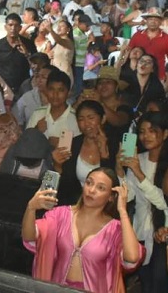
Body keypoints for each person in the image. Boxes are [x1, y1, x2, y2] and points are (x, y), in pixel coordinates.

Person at [22, 167, 143, 292]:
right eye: (89, 183)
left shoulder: (114, 229)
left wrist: (123, 211)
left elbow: (132, 257)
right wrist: (31, 208)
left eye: (100, 188)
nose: (91, 190)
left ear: (111, 197)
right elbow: (29, 237)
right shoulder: (60, 215)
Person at [117, 111, 168, 293]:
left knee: (159, 284)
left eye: (152, 131)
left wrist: (138, 172)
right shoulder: (138, 159)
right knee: (146, 283)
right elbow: (129, 196)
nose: (146, 136)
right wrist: (120, 169)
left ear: (165, 133)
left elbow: (162, 202)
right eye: (142, 131)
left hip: (162, 232)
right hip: (140, 232)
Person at [0, 13, 37, 95]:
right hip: (3, 89)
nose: (13, 28)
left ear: (20, 28)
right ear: (5, 27)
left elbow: (37, 64)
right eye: (10, 25)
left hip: (23, 88)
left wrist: (27, 53)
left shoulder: (28, 44)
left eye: (16, 25)